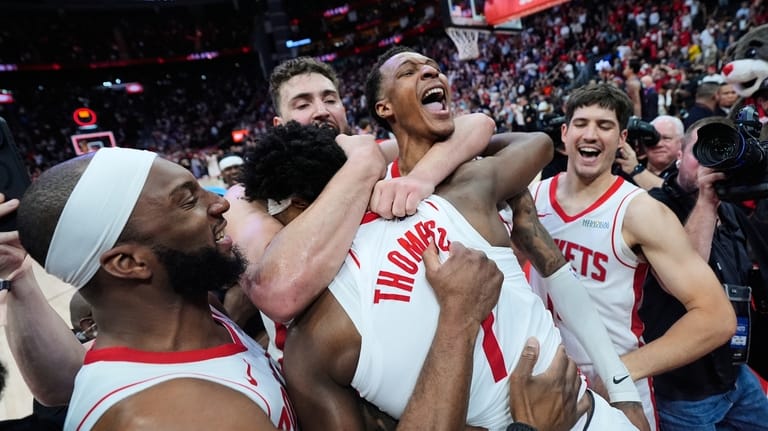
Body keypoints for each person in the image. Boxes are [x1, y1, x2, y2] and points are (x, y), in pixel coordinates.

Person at [243, 53, 638, 429]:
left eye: (329, 98)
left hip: (590, 413)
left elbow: (503, 137)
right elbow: (276, 287)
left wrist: (622, 390)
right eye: (303, 103)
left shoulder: (427, 179)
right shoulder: (256, 214)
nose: (320, 110)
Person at [0, 148, 516, 431]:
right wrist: (458, 320)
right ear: (129, 263)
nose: (222, 202)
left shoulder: (182, 316)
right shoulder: (178, 416)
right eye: (188, 201)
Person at [527, 83, 737, 429]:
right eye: (581, 123)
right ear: (564, 134)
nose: (590, 134)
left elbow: (716, 317)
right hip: (544, 377)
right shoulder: (532, 198)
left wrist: (619, 373)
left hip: (614, 384)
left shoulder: (640, 212)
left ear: (621, 137)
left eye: (605, 126)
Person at [640, 117, 768, 430]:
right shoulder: (652, 207)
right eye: (700, 150)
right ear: (680, 155)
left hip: (734, 372)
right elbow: (685, 275)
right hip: (686, 389)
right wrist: (707, 199)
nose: (709, 160)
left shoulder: (730, 209)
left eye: (718, 151)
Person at [615, 115, 684, 191]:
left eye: (666, 138)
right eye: (652, 138)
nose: (658, 144)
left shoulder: (685, 171)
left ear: (681, 143)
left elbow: (672, 194)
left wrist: (635, 169)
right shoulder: (626, 164)